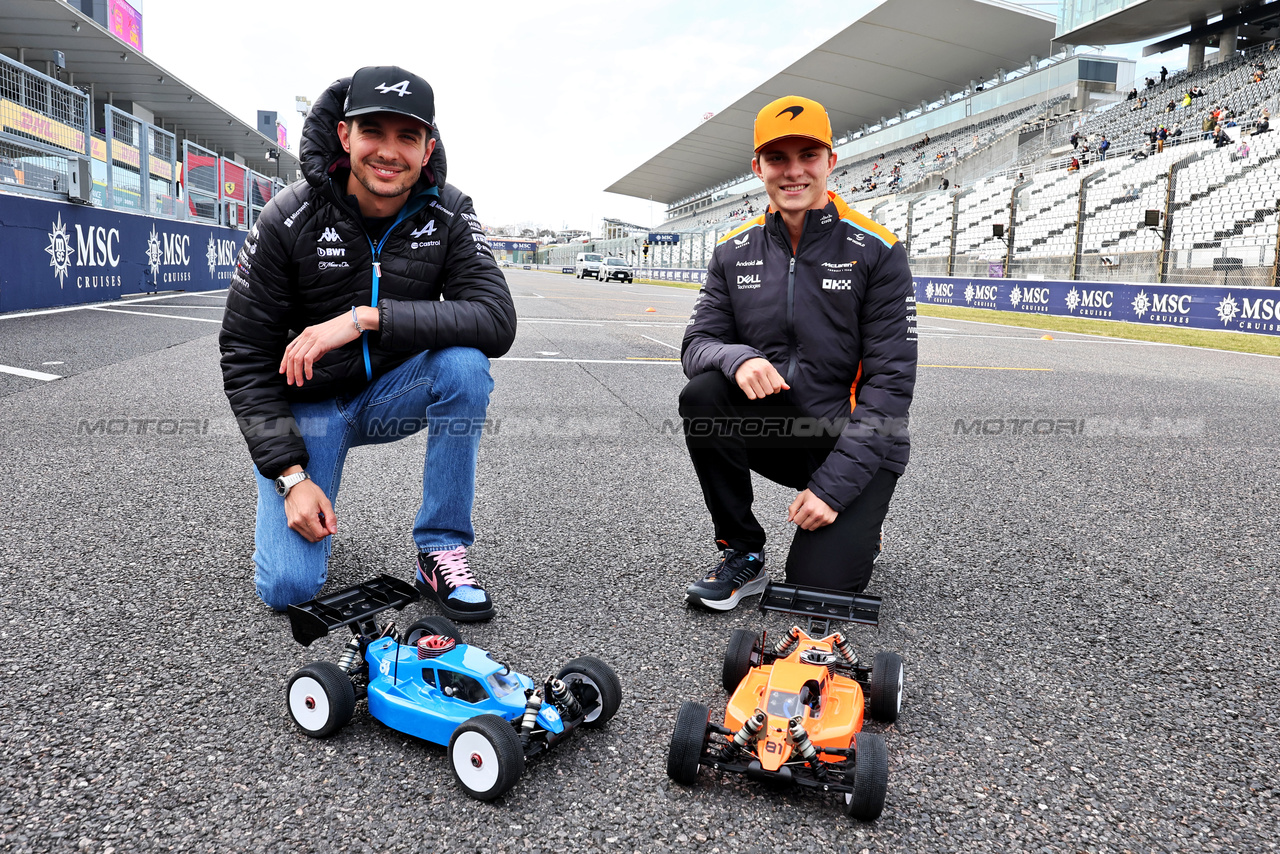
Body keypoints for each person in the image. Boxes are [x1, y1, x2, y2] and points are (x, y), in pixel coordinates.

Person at [219, 66, 517, 619]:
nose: (389, 151)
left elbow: (497, 319)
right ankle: (296, 488)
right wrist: (290, 476)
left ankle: (441, 548)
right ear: (344, 136)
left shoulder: (449, 211)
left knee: (465, 366)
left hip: (388, 396)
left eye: (407, 136)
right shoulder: (288, 216)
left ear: (427, 149)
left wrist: (366, 318)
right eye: (373, 131)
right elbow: (243, 356)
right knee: (289, 589)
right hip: (311, 408)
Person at [678, 95, 916, 609]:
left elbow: (890, 386)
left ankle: (857, 521)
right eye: (778, 158)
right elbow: (696, 346)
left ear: (831, 162)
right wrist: (736, 358)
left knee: (818, 588)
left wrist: (834, 489)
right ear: (758, 167)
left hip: (853, 438)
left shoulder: (878, 250)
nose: (793, 172)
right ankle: (742, 551)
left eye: (808, 155)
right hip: (784, 428)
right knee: (703, 394)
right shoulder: (733, 250)